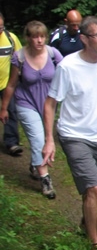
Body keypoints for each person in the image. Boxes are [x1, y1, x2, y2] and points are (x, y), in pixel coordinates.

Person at [42, 16, 97, 250]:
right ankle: (94, 245)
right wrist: (49, 140)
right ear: (84, 39)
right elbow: (50, 103)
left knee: (92, 191)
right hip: (74, 136)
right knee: (95, 188)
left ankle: (85, 223)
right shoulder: (67, 66)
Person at [0, 21, 63, 198]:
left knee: (43, 137)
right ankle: (45, 180)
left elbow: (68, 72)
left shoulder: (53, 54)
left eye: (42, 36)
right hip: (25, 102)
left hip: (49, 104)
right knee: (37, 140)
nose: (39, 40)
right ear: (27, 38)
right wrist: (4, 108)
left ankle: (35, 164)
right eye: (35, 37)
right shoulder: (19, 57)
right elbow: (11, 85)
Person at [0, 12, 24, 156]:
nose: (0, 30)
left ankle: (12, 142)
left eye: (1, 27)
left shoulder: (11, 38)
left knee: (11, 111)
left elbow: (20, 57)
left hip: (6, 83)